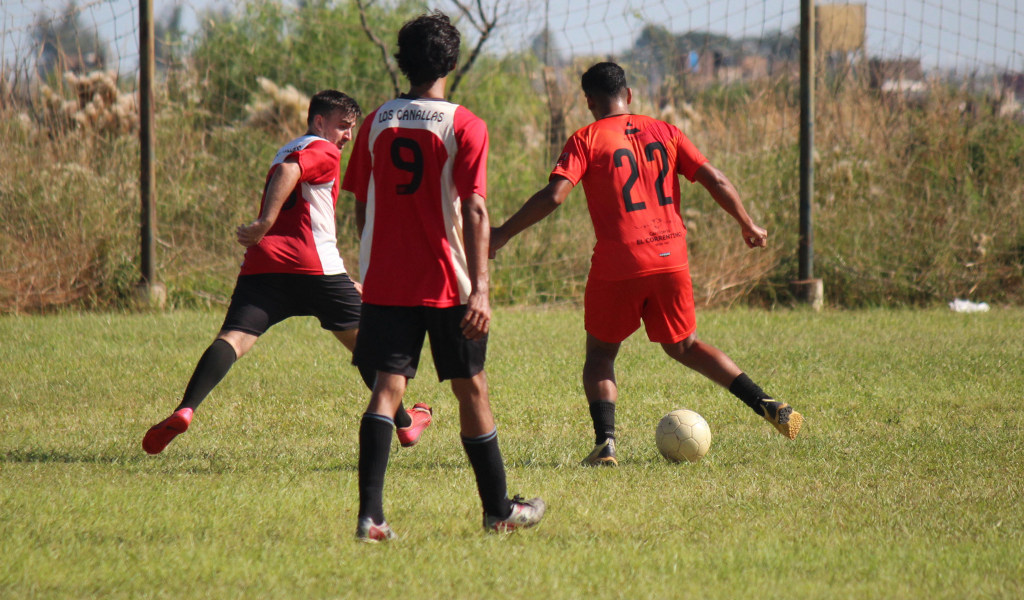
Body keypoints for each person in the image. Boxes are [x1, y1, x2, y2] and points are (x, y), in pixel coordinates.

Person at [490, 62, 803, 467]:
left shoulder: (586, 138)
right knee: (686, 346)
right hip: (671, 259)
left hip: (619, 262)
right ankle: (766, 403)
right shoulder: (667, 131)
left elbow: (554, 195)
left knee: (601, 356)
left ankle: (606, 444)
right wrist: (747, 223)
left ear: (589, 101)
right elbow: (716, 179)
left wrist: (502, 234)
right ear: (629, 94)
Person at [341, 11, 545, 542]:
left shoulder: (376, 121)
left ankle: (371, 518)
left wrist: (371, 262)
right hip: (448, 283)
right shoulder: (464, 124)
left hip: (386, 282)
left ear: (402, 61)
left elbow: (362, 202)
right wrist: (482, 288)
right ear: (451, 63)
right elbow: (475, 209)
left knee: (387, 389)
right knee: (471, 388)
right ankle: (498, 510)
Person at [142, 90, 432, 455]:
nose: (348, 135)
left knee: (234, 338)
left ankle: (186, 408)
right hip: (313, 267)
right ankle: (405, 424)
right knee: (371, 348)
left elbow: (291, 180)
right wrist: (266, 221)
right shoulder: (322, 149)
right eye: (343, 126)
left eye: (351, 128)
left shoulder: (287, 148)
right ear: (319, 122)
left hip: (265, 264)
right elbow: (290, 171)